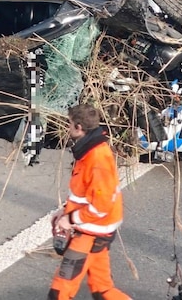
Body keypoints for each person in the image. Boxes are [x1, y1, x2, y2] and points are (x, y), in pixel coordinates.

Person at [47, 103, 131, 300]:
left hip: (91, 232)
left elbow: (100, 205)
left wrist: (70, 219)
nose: (66, 128)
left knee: (60, 291)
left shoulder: (96, 159)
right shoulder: (90, 150)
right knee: (103, 290)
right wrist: (65, 211)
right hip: (96, 231)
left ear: (78, 128)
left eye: (69, 124)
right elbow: (84, 194)